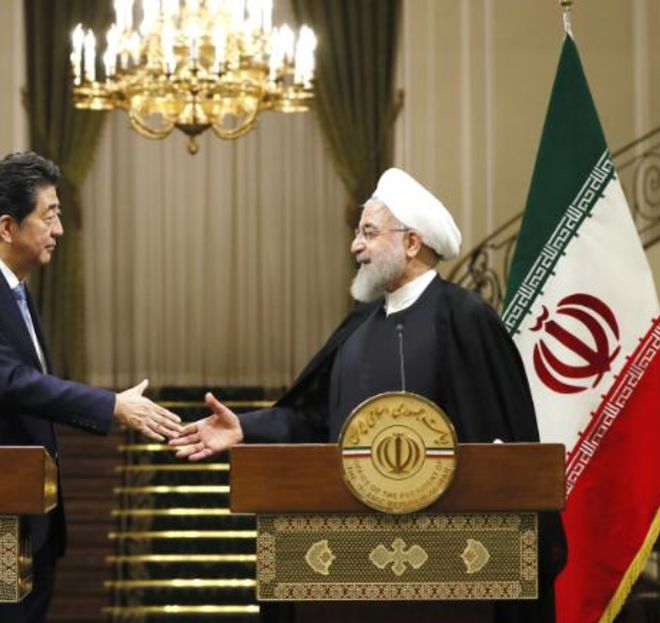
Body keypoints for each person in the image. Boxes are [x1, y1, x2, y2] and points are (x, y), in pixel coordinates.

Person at [170, 168, 565, 622]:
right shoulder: (357, 328)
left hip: (451, 565)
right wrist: (246, 427)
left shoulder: (466, 319)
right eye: (358, 233)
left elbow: (505, 440)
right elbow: (316, 421)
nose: (356, 246)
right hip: (349, 557)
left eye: (369, 233)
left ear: (412, 243)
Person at [0, 151, 183, 622]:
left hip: (29, 512)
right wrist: (111, 406)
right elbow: (8, 383)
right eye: (49, 216)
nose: (60, 230)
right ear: (8, 227)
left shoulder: (14, 288)